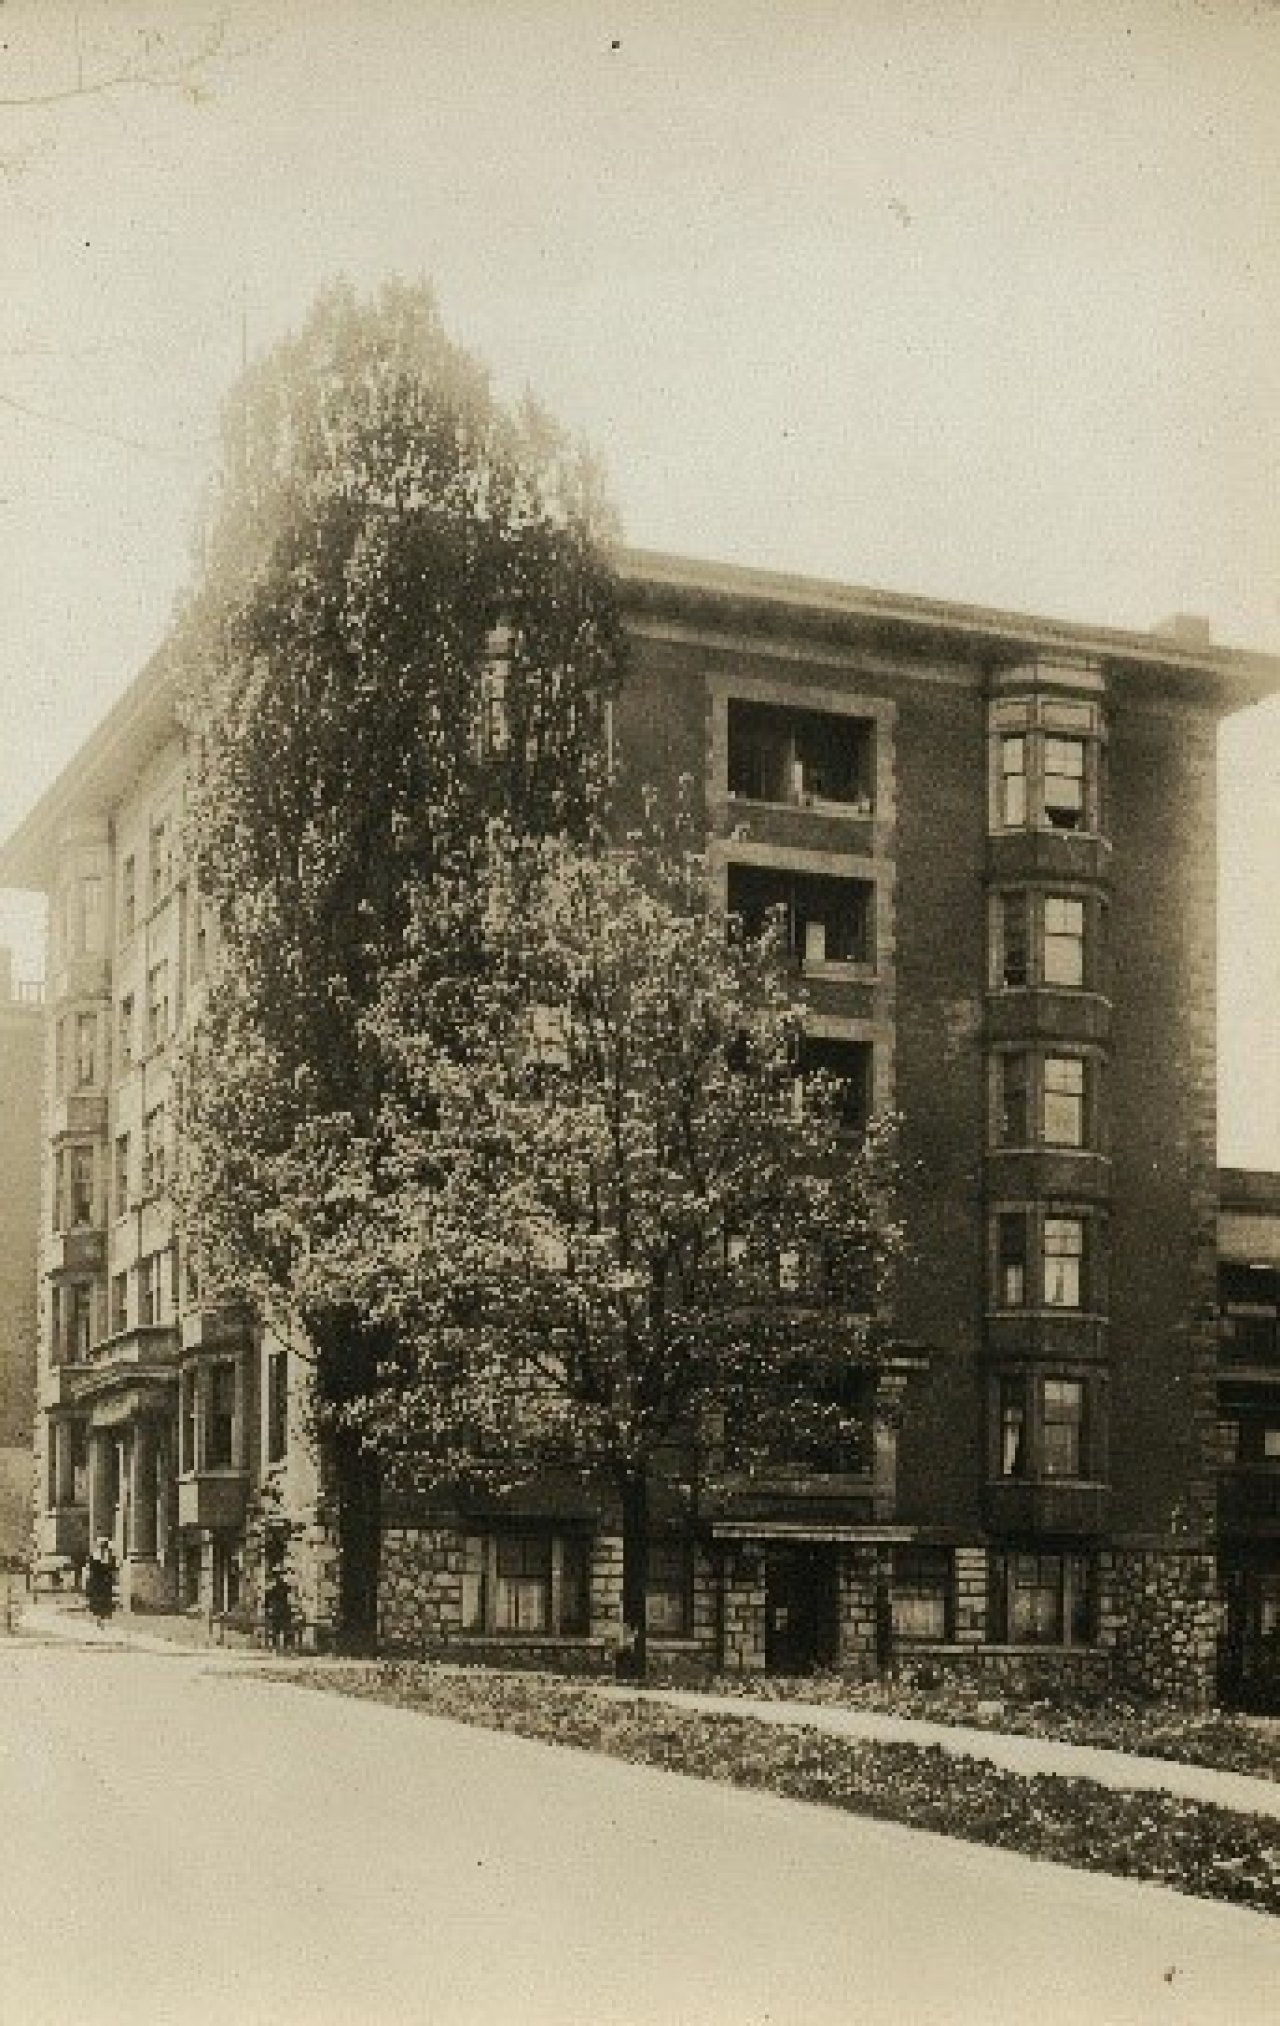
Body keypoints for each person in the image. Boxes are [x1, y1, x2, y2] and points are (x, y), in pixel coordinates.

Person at [84, 1537, 117, 1628]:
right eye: (102, 1545)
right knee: (97, 1599)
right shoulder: (94, 1556)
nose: (103, 1547)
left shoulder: (110, 1556)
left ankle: (102, 1618)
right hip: (97, 1580)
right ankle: (98, 1618)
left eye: (105, 1545)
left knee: (105, 1599)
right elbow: (91, 1569)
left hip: (105, 1581)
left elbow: (112, 1567)